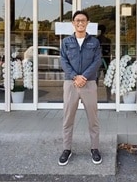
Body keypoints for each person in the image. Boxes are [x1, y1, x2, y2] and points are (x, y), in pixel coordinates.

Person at [58, 10, 103, 166]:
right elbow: (63, 60)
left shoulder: (94, 42)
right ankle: (66, 149)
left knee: (93, 118)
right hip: (70, 84)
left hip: (89, 83)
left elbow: (97, 61)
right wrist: (74, 76)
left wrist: (83, 77)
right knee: (68, 118)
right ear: (73, 23)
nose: (80, 23)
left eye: (83, 20)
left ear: (87, 23)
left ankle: (95, 148)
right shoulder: (66, 42)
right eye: (77, 20)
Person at [96, 24, 112, 102]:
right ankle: (109, 97)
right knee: (108, 80)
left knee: (95, 79)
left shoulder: (95, 40)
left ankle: (93, 97)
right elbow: (109, 52)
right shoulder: (108, 40)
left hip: (98, 62)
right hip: (106, 61)